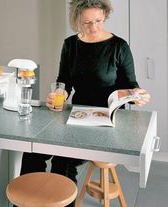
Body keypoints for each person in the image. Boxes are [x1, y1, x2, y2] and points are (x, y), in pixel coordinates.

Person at [18, 0, 150, 206]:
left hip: (106, 122)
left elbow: (131, 85)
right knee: (33, 152)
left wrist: (138, 94)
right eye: (87, 22)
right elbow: (65, 82)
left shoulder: (119, 47)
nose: (93, 27)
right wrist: (58, 94)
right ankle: (28, 202)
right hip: (75, 115)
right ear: (77, 20)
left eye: (98, 20)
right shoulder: (70, 45)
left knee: (63, 162)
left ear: (105, 15)